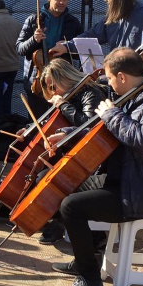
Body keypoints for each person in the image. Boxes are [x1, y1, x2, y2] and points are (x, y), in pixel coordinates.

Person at [50, 47, 143, 286]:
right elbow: (108, 131)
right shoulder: (135, 98)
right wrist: (69, 133)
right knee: (61, 183)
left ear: (121, 77)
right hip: (126, 180)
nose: (107, 83)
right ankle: (86, 256)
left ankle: (90, 282)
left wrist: (112, 114)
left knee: (72, 207)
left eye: (109, 78)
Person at [34, 57, 103, 245]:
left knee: (47, 179)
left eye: (53, 86)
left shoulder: (90, 93)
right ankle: (57, 221)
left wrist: (64, 105)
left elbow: (88, 125)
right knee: (42, 177)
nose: (53, 92)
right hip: (75, 154)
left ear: (64, 78)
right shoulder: (70, 97)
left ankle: (64, 225)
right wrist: (30, 128)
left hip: (91, 160)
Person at [16, 0, 82, 114]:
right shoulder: (33, 20)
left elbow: (81, 51)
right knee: (36, 121)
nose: (62, 2)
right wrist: (34, 40)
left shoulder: (73, 22)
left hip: (61, 80)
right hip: (37, 81)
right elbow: (20, 48)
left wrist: (67, 48)